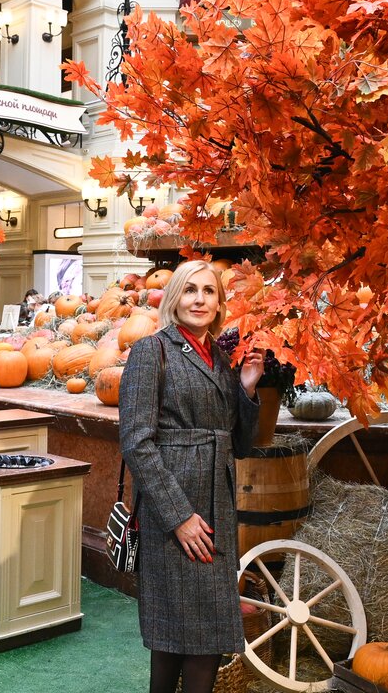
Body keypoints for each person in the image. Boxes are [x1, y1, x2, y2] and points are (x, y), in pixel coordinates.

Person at [118, 260, 264, 693]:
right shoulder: (152, 351)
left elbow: (237, 443)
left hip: (216, 505)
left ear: (219, 303)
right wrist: (179, 516)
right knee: (178, 636)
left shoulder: (220, 358)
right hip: (175, 511)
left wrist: (249, 388)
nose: (199, 299)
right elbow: (136, 442)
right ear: (174, 298)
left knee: (198, 636)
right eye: (189, 290)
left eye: (208, 291)